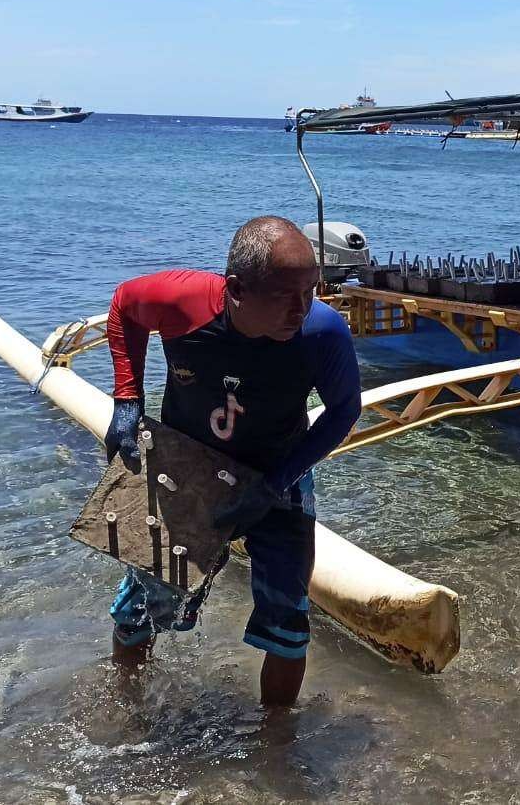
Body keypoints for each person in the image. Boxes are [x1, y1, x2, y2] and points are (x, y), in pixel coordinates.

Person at [100, 216, 361, 707]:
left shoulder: (322, 332)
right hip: (186, 469)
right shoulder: (183, 300)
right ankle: (127, 711)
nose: (301, 310)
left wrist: (277, 483)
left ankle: (276, 749)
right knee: (141, 610)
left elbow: (345, 410)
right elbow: (124, 308)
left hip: (277, 471)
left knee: (287, 621)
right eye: (285, 297)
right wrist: (127, 399)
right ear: (237, 290)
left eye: (312, 291)